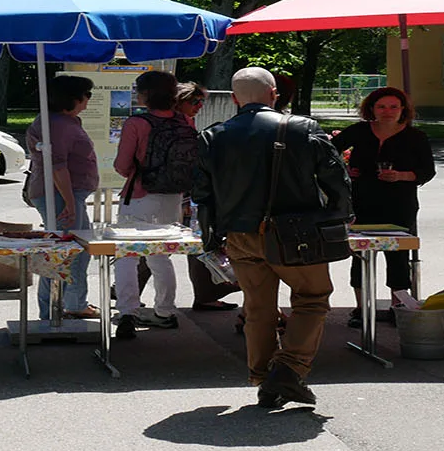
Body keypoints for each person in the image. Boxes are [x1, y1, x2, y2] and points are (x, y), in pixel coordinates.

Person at [192, 67, 351, 408]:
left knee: (258, 308)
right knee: (312, 298)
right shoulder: (302, 128)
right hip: (295, 233)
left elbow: (202, 195)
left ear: (235, 98)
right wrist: (337, 216)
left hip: (238, 234)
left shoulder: (212, 135)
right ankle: (289, 369)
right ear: (274, 94)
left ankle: (264, 378)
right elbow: (336, 179)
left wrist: (212, 238)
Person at [331, 86, 435, 325]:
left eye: (393, 107)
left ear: (403, 110)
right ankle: (361, 309)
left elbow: (427, 171)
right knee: (360, 256)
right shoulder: (359, 130)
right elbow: (327, 151)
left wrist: (402, 175)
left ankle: (397, 307)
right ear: (371, 109)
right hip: (361, 201)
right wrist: (343, 169)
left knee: (397, 256)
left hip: (399, 203)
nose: (387, 112)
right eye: (381, 107)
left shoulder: (415, 136)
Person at [110, 71, 194, 339]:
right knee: (160, 255)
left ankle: (127, 312)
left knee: (127, 255)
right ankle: (165, 311)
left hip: (139, 195)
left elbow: (122, 167)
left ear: (144, 95)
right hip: (173, 196)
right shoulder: (185, 120)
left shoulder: (137, 123)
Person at [25, 74, 98, 320]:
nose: (89, 100)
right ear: (74, 98)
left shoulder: (63, 121)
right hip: (60, 195)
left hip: (67, 194)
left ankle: (72, 303)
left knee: (76, 250)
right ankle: (54, 310)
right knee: (64, 253)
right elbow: (57, 166)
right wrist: (69, 201)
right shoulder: (57, 124)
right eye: (87, 95)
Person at [177, 81, 240, 311]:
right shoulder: (180, 125)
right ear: (179, 102)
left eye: (202, 101)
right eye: (195, 101)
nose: (200, 106)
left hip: (187, 192)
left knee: (194, 245)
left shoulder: (187, 123)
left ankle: (206, 295)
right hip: (183, 193)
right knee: (191, 244)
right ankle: (205, 296)